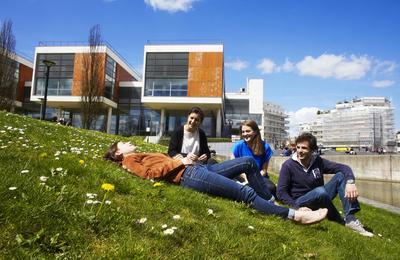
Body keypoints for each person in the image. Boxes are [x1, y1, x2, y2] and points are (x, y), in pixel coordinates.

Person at [104, 141, 328, 225]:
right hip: (190, 176)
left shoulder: (137, 154)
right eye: (122, 143)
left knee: (249, 162)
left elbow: (162, 165)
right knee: (245, 194)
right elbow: (149, 175)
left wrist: (184, 160)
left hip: (196, 168)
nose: (128, 142)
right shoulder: (130, 160)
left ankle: (273, 202)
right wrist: (178, 161)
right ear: (117, 153)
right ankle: (295, 216)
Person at [277, 132, 373, 237]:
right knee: (320, 191)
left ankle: (350, 218)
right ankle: (339, 220)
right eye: (298, 147)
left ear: (312, 150)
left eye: (304, 148)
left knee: (341, 176)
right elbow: (281, 192)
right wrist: (296, 207)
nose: (299, 151)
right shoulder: (288, 165)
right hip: (301, 201)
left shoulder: (318, 161)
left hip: (320, 196)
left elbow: (344, 168)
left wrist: (350, 182)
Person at [231, 120, 276, 197]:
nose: (245, 134)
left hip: (259, 177)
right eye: (243, 132)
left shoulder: (265, 147)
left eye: (248, 131)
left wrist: (254, 179)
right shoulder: (238, 145)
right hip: (241, 176)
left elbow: (264, 170)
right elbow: (232, 165)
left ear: (255, 132)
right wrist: (246, 179)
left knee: (271, 187)